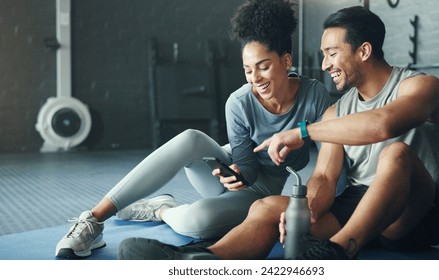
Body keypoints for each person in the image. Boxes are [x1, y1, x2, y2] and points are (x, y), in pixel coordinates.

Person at [117, 5, 439, 260]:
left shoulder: (421, 86)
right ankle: (201, 260)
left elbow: (383, 125)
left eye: (332, 53)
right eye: (323, 55)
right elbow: (323, 176)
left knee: (395, 154)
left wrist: (301, 133)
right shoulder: (338, 110)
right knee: (266, 207)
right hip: (355, 205)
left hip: (413, 213)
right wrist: (306, 211)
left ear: (363, 51)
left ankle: (336, 252)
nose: (324, 65)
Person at [55, 0, 339, 259]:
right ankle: (93, 219)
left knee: (198, 222)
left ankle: (162, 209)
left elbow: (329, 159)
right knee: (191, 138)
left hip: (261, 189)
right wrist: (238, 172)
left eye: (263, 67)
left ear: (286, 61)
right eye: (248, 70)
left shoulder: (315, 96)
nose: (256, 78)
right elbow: (247, 166)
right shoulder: (238, 102)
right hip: (228, 169)